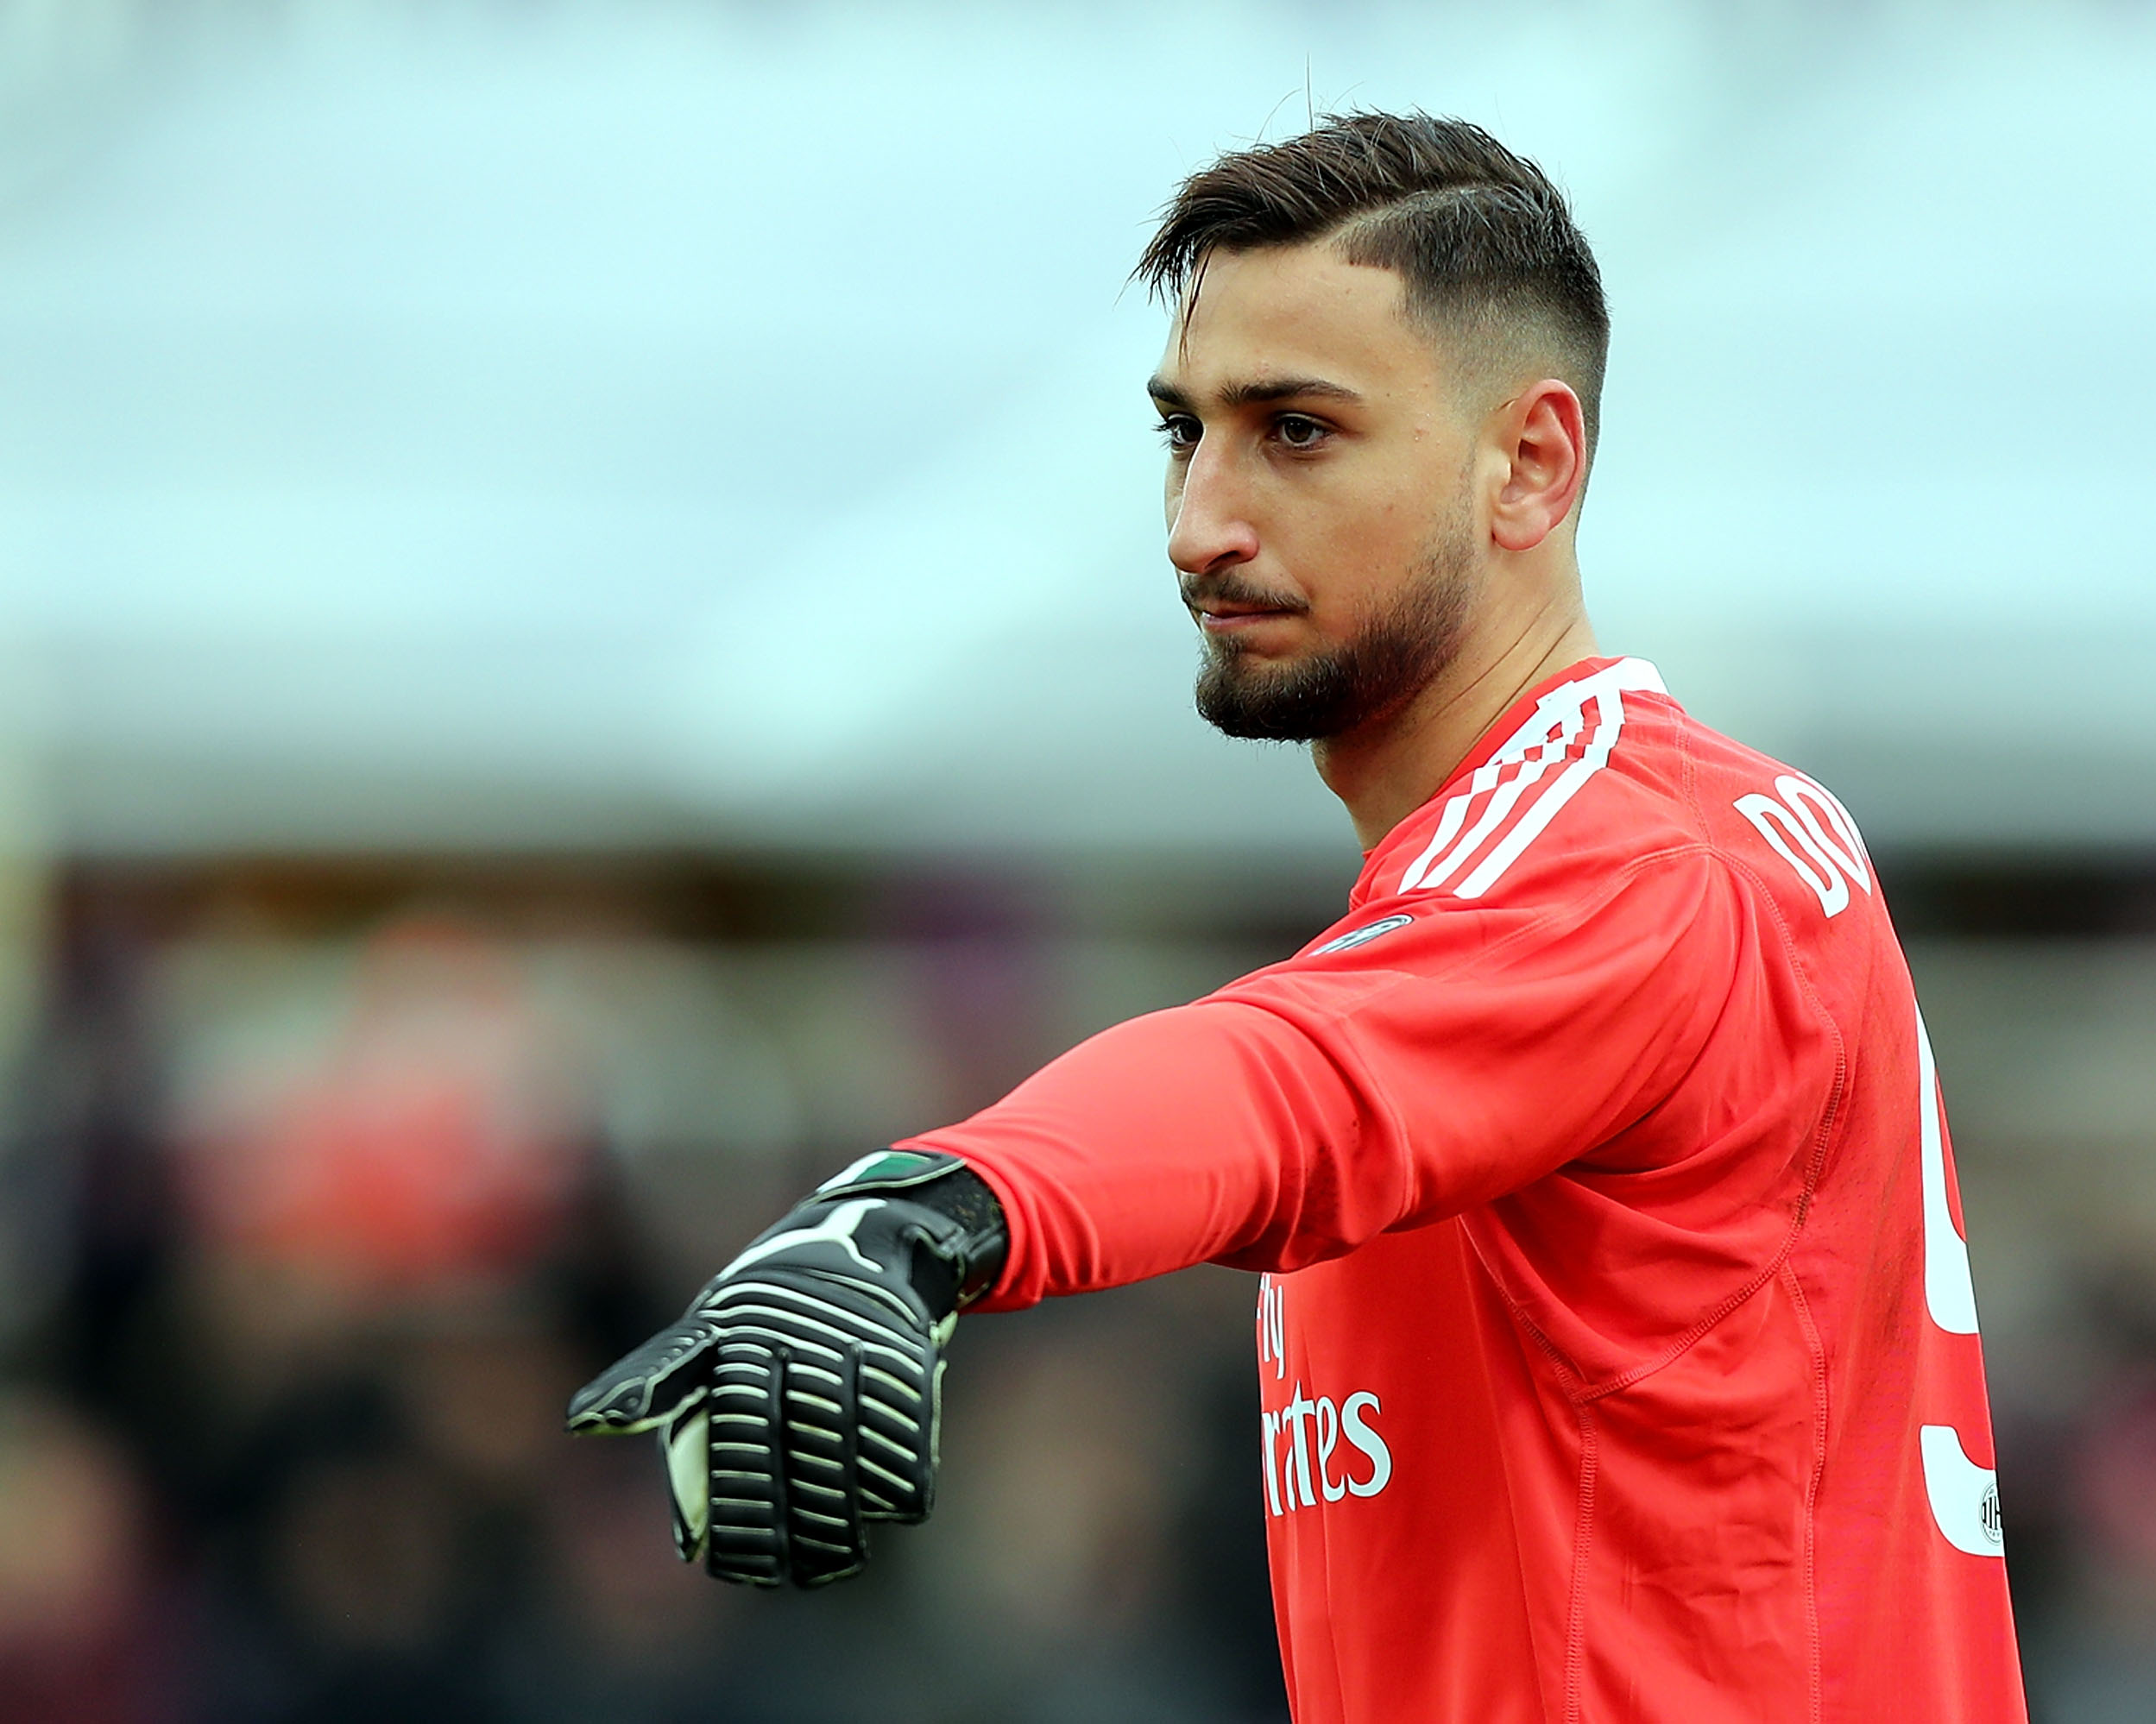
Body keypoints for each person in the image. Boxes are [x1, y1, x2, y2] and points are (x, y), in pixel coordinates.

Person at [570, 111, 2027, 1723]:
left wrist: (923, 1210)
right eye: (1184, 433)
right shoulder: (1613, 851)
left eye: (1298, 433)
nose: (1200, 524)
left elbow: (1284, 1081)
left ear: (1530, 465)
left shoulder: (1620, 863)